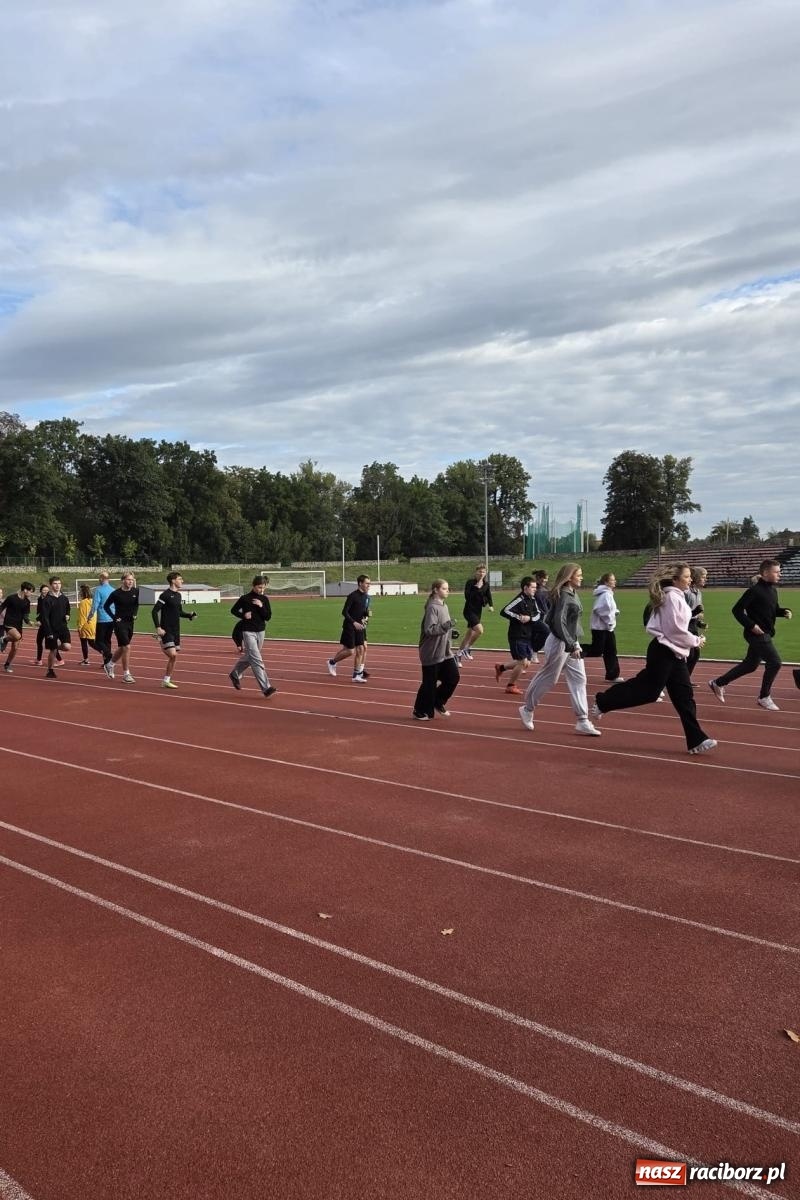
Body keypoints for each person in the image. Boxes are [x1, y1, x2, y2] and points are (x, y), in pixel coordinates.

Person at [592, 562, 716, 755]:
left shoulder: (676, 596)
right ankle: (603, 701)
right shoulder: (672, 598)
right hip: (664, 652)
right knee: (648, 691)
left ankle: (696, 739)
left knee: (685, 698)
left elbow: (675, 626)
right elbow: (674, 630)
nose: (690, 579)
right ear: (675, 579)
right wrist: (695, 640)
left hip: (675, 653)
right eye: (686, 576)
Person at [518, 563, 601, 736]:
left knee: (579, 678)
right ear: (570, 577)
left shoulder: (571, 592)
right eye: (579, 574)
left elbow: (571, 623)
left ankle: (582, 720)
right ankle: (527, 708)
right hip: (559, 642)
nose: (582, 577)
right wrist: (571, 645)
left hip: (570, 641)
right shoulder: (564, 595)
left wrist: (575, 642)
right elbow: (558, 623)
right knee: (549, 678)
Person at [708, 558, 793, 710]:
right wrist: (751, 625)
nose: (780, 574)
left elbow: (772, 609)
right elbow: (737, 610)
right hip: (756, 634)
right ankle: (764, 696)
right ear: (766, 573)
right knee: (775, 663)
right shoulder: (754, 591)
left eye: (780, 571)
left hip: (766, 633)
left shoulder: (773, 590)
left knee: (750, 665)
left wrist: (784, 611)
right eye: (777, 572)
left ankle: (718, 683)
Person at [412, 580, 460, 720]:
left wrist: (451, 631)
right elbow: (429, 629)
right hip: (431, 651)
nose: (448, 591)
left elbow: (444, 626)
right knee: (429, 683)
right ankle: (419, 710)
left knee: (453, 677)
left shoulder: (444, 606)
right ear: (435, 590)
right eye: (444, 588)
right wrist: (446, 627)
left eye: (448, 588)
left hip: (444, 650)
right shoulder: (432, 607)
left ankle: (437, 701)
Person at [228, 575, 277, 697]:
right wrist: (243, 615)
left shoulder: (264, 599)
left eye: (263, 588)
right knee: (256, 659)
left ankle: (235, 673)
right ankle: (266, 688)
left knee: (251, 657)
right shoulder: (245, 598)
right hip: (248, 631)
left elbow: (268, 617)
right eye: (259, 587)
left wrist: (261, 606)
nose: (261, 590)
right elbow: (233, 610)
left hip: (261, 631)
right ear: (253, 586)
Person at [494, 576, 543, 695]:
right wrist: (519, 617)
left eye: (535, 587)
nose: (535, 590)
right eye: (532, 587)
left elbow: (539, 614)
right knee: (522, 662)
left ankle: (501, 668)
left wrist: (530, 618)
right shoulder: (519, 599)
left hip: (528, 635)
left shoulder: (533, 600)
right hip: (517, 635)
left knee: (526, 663)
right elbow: (504, 611)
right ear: (525, 588)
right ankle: (510, 686)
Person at [151, 571, 197, 688]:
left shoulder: (178, 595)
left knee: (174, 656)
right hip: (166, 629)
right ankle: (160, 639)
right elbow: (154, 611)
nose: (182, 581)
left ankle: (166, 681)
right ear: (173, 580)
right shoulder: (165, 595)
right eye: (180, 579)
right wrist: (158, 627)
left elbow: (179, 612)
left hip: (176, 630)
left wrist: (189, 615)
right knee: (173, 655)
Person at [326, 575, 371, 683]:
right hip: (350, 626)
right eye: (367, 583)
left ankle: (356, 675)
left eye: (369, 583)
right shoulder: (352, 596)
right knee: (350, 651)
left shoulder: (367, 597)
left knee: (360, 649)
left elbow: (365, 611)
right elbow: (344, 612)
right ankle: (332, 662)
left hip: (360, 626)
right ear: (360, 583)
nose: (369, 585)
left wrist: (366, 618)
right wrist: (354, 622)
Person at [580, 572, 623, 683]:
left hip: (606, 628)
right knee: (597, 650)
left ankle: (612, 675)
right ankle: (574, 650)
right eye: (613, 580)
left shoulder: (607, 593)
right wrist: (609, 622)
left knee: (611, 650)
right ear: (606, 582)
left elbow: (609, 609)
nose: (615, 582)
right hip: (600, 628)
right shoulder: (605, 594)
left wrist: (615, 612)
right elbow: (600, 609)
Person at [103, 572, 140, 683]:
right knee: (127, 647)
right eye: (128, 580)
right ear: (123, 580)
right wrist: (114, 618)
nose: (130, 582)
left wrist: (135, 613)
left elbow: (136, 604)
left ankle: (110, 665)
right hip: (119, 623)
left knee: (122, 647)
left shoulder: (136, 591)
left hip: (130, 622)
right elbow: (106, 606)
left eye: (132, 580)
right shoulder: (116, 594)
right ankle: (126, 674)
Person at [458, 565, 494, 661]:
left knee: (469, 634)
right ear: (476, 572)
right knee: (480, 630)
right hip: (469, 610)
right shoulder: (470, 583)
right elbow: (467, 597)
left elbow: (488, 595)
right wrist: (477, 588)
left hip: (478, 611)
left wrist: (491, 605)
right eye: (479, 571)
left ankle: (457, 655)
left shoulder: (486, 584)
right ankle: (467, 648)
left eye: (483, 572)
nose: (481, 573)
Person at [40, 576, 71, 679]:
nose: (57, 586)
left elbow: (68, 610)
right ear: (50, 585)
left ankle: (54, 646)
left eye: (59, 583)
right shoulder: (47, 600)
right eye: (55, 583)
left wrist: (68, 616)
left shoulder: (64, 598)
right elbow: (44, 617)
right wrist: (48, 632)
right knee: (52, 650)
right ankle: (50, 670)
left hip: (62, 627)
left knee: (67, 647)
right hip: (51, 629)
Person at [1, 582, 34, 673]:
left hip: (18, 625)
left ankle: (7, 664)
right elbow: (2, 607)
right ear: (25, 590)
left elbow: (25, 616)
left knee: (15, 648)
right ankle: (4, 639)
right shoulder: (11, 598)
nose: (31, 594)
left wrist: (28, 622)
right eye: (30, 592)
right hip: (9, 622)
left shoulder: (27, 602)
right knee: (17, 636)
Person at [88, 570, 115, 667]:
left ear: (101, 578)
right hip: (112, 619)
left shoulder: (98, 590)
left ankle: (109, 654)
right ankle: (107, 662)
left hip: (102, 619)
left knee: (99, 641)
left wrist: (90, 616)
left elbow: (95, 605)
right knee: (107, 640)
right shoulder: (113, 590)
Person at [685, 566, 708, 679]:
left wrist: (699, 623)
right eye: (703, 577)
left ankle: (686, 678)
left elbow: (696, 613)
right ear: (696, 577)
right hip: (685, 626)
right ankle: (681, 679)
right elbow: (682, 612)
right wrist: (696, 613)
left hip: (693, 625)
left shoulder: (698, 593)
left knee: (695, 654)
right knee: (690, 654)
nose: (705, 579)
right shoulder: (687, 592)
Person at [76, 584, 97, 665]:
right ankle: (105, 654)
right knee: (91, 642)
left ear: (83, 592)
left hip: (86, 625)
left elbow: (82, 616)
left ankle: (105, 654)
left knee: (86, 643)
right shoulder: (93, 601)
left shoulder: (83, 602)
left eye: (80, 592)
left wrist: (80, 627)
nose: (80, 593)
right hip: (93, 624)